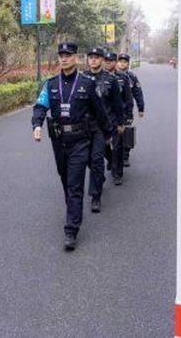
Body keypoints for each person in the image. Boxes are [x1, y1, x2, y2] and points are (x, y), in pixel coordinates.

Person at [32, 42, 111, 250]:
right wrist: (37, 125)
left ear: (76, 57)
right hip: (59, 140)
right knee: (65, 179)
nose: (64, 58)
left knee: (75, 184)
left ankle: (71, 229)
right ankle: (73, 209)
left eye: (68, 55)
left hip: (80, 141)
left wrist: (108, 134)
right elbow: (40, 106)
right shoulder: (51, 84)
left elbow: (100, 112)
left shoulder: (87, 83)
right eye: (61, 55)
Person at [83, 46, 125, 213]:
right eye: (90, 57)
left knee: (97, 160)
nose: (93, 60)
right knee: (88, 160)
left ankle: (96, 196)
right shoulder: (81, 78)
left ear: (102, 60)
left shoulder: (110, 79)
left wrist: (121, 123)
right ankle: (101, 174)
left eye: (96, 57)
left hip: (103, 126)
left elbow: (117, 103)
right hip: (84, 127)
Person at [103, 51, 132, 184]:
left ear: (115, 62)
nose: (107, 63)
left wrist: (128, 117)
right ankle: (110, 159)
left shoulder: (122, 78)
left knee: (117, 146)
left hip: (118, 117)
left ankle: (117, 174)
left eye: (110, 61)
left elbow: (128, 98)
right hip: (103, 117)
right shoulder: (99, 77)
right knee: (103, 146)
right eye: (106, 60)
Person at [117, 53, 145, 167]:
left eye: (125, 62)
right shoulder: (112, 75)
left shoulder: (132, 77)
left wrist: (141, 108)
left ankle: (125, 156)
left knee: (126, 133)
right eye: (120, 61)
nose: (122, 64)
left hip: (126, 110)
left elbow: (138, 93)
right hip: (113, 111)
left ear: (128, 64)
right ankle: (113, 157)